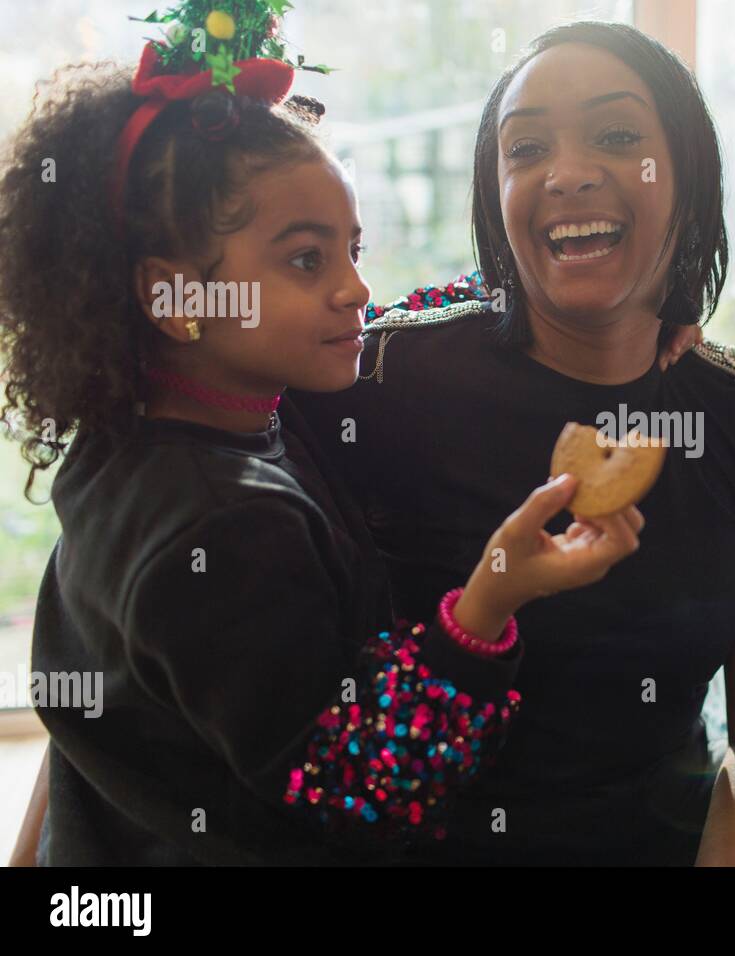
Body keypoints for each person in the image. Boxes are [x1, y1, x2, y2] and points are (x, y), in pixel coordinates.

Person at [0, 7, 655, 865]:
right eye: (308, 260)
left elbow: (389, 320)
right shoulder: (222, 526)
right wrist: (493, 595)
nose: (355, 289)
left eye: (353, 248)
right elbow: (360, 787)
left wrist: (554, 296)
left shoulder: (164, 422)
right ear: (175, 297)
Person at [290, 21, 735, 866]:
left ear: (686, 176)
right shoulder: (384, 376)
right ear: (494, 192)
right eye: (527, 147)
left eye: (617, 136)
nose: (570, 172)